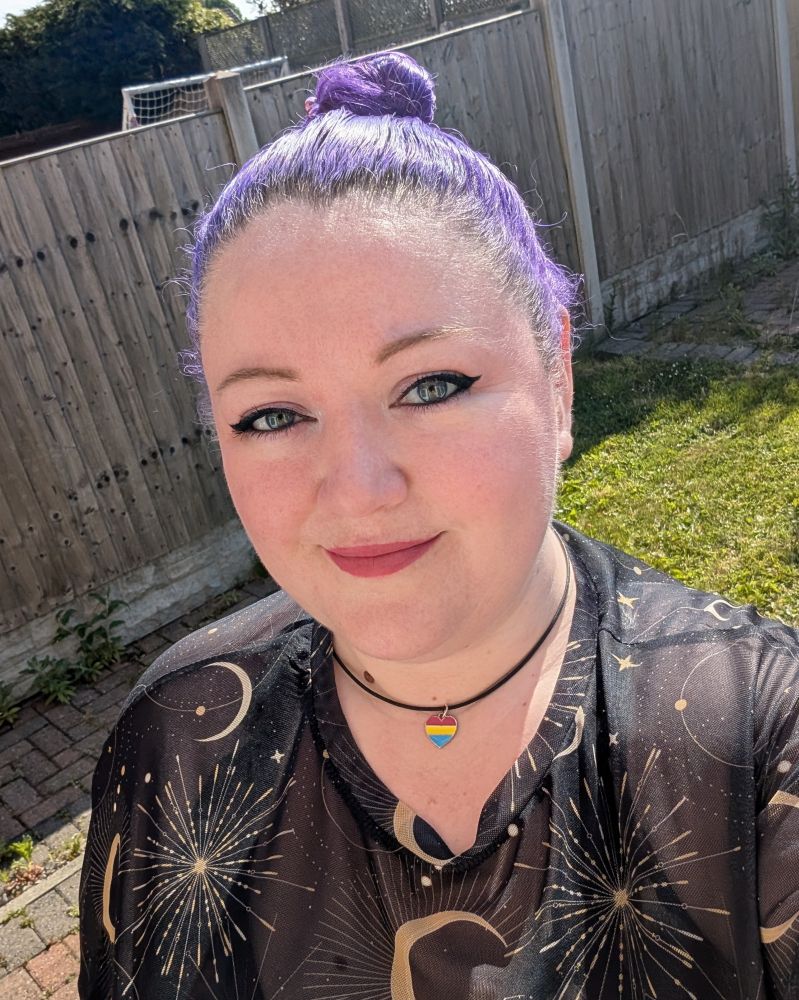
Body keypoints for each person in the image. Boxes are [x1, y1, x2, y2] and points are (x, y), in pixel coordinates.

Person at [78, 51, 799, 999]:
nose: (359, 489)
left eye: (430, 386)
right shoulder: (176, 734)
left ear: (558, 376)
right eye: (272, 414)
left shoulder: (757, 741)